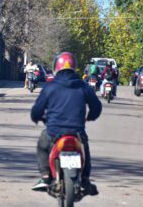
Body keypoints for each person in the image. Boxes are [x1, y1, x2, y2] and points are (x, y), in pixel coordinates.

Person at [30, 51, 102, 194]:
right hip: (77, 132)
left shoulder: (50, 87)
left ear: (56, 67)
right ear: (74, 67)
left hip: (53, 132)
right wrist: (90, 117)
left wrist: (37, 117)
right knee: (85, 150)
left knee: (42, 146)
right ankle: (86, 179)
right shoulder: (83, 86)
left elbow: (37, 110)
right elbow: (96, 106)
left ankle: (45, 177)